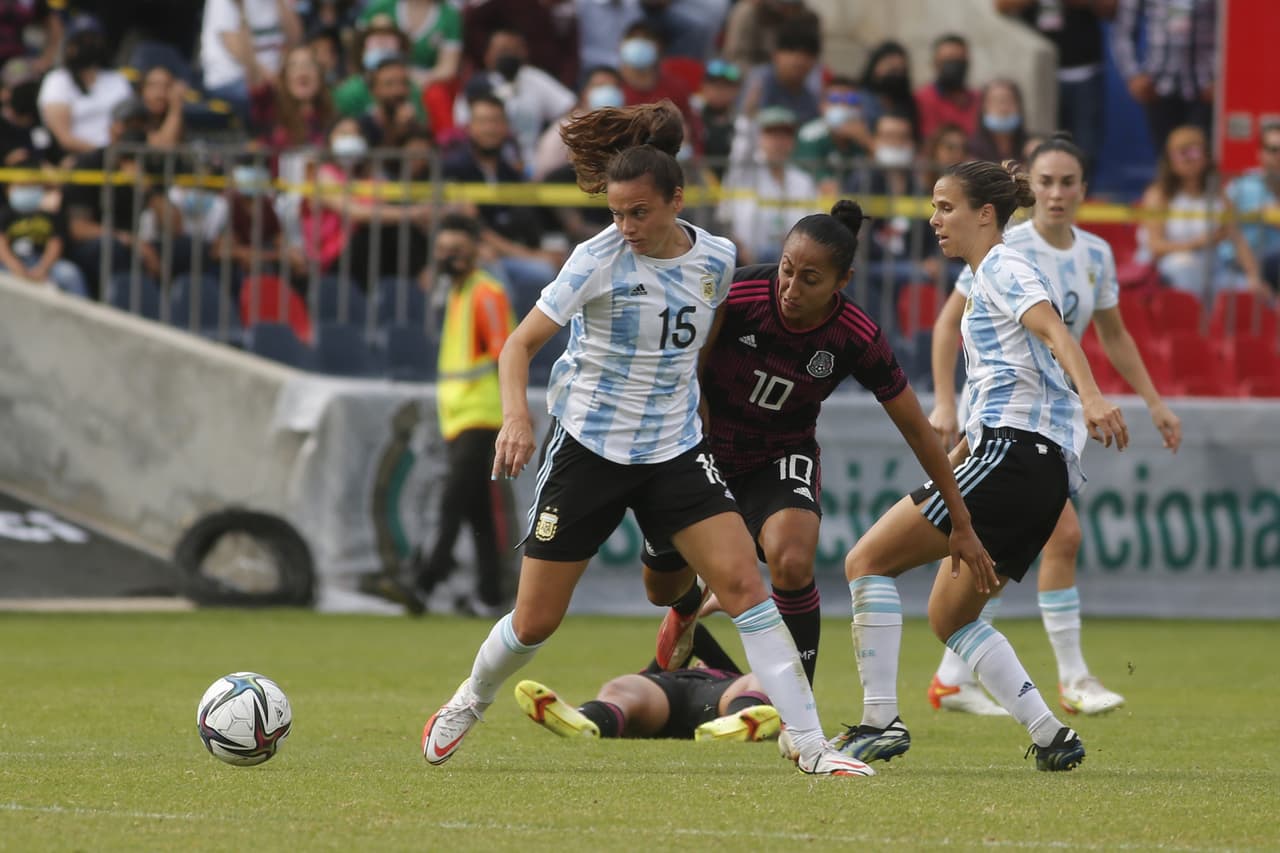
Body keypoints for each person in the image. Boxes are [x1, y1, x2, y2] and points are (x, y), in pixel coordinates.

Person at [420, 99, 874, 778]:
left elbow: (710, 339)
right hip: (589, 451)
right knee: (535, 619)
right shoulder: (594, 260)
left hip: (674, 452)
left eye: (638, 212)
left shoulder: (716, 258)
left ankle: (811, 745)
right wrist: (517, 417)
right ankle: (466, 700)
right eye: (615, 213)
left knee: (746, 585)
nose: (625, 226)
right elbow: (518, 345)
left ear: (676, 200)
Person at [834, 158, 1130, 772]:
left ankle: (879, 721)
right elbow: (1017, 379)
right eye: (934, 207)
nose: (934, 219)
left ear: (985, 214)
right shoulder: (991, 275)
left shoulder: (1002, 266)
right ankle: (1052, 735)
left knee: (866, 561)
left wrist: (1094, 395)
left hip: (1013, 455)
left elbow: (1055, 333)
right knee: (950, 616)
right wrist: (961, 452)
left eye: (945, 207)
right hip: (1035, 467)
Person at [643, 197, 993, 689]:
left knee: (790, 559)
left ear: (841, 283)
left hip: (780, 453)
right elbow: (688, 367)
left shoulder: (855, 336)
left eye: (810, 279)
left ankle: (796, 706)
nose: (790, 288)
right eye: (787, 271)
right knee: (660, 587)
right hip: (702, 450)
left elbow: (917, 430)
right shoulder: (738, 293)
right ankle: (686, 606)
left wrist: (960, 519)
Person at [926, 133, 1183, 717]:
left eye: (1068, 182)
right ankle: (1072, 679)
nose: (1056, 192)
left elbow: (1113, 335)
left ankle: (949, 675)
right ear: (1029, 187)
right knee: (1058, 535)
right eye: (1045, 181)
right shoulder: (1001, 247)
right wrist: (945, 401)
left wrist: (1154, 402)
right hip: (1006, 422)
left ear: (1084, 190)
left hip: (1052, 422)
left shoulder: (1094, 255)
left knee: (991, 551)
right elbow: (949, 325)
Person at [412, 213, 518, 616]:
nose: (449, 258)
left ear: (476, 250)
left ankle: (425, 581)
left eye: (457, 250)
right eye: (442, 251)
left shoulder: (485, 293)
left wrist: (513, 415)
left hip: (482, 415)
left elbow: (505, 353)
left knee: (452, 503)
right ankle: (490, 595)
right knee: (476, 513)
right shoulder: (458, 292)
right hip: (460, 417)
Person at [515, 623, 781, 742]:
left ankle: (736, 724)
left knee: (760, 678)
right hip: (666, 696)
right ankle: (583, 721)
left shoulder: (727, 676)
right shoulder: (663, 677)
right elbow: (687, 637)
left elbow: (694, 634)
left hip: (718, 697)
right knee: (622, 688)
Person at [1137, 124, 1265, 298]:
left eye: (1194, 152)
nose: (1188, 159)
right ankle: (1195, 322)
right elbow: (1155, 247)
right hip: (1169, 267)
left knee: (1247, 290)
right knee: (1187, 269)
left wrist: (1253, 276)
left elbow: (1237, 239)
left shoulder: (1219, 194)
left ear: (1205, 156)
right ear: (1169, 160)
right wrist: (1200, 242)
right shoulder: (1158, 195)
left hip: (1212, 267)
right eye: (1180, 153)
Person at [996, 0, 1116, 165]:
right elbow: (1001, 5)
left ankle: (1082, 187)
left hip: (1083, 72)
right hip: (1039, 77)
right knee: (1039, 142)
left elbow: (1111, 9)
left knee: (1086, 145)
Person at [1111, 0, 1215, 152]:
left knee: (1201, 155)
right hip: (1157, 86)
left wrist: (1223, 77)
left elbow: (1234, 25)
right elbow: (1123, 31)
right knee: (1165, 155)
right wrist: (1133, 75)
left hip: (1205, 85)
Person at [719, 106, 816, 266]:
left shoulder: (803, 181)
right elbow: (740, 149)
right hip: (742, 261)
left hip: (792, 263)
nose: (779, 142)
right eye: (772, 134)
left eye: (785, 135)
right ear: (759, 137)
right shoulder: (745, 170)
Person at [36, 15, 134, 155]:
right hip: (78, 162)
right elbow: (64, 138)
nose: (87, 45)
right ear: (69, 45)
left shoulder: (118, 80)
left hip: (119, 159)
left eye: (92, 39)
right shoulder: (57, 80)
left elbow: (130, 125)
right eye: (81, 40)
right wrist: (105, 155)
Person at [0, 150, 87, 297]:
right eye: (22, 186)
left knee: (69, 274)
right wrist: (16, 268)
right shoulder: (5, 214)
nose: (27, 190)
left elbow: (56, 243)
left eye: (32, 186)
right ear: (9, 189)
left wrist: (42, 269)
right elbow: (1, 244)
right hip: (11, 263)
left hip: (44, 263)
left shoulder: (50, 214)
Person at [199, 0, 302, 123]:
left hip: (275, 77)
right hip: (232, 79)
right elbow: (236, 48)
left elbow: (296, 40)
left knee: (308, 92)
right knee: (274, 97)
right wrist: (274, 81)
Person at [1223, 120, 1280, 294]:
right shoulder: (1239, 187)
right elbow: (1228, 231)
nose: (1279, 154)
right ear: (1259, 153)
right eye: (1273, 149)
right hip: (1242, 264)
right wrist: (1252, 273)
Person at [914, 33, 980, 140]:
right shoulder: (921, 100)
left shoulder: (979, 99)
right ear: (935, 63)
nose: (954, 66)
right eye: (948, 60)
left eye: (959, 60)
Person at [859, 40, 920, 141]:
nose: (895, 75)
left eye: (900, 70)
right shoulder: (860, 98)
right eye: (891, 68)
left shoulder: (908, 104)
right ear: (875, 67)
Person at [967, 79, 1029, 165]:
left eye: (1008, 100)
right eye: (996, 101)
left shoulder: (1030, 146)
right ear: (983, 107)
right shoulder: (970, 149)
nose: (1003, 108)